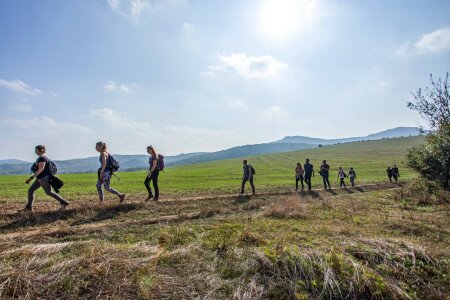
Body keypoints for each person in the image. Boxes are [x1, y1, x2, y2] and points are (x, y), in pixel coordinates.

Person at [23, 145, 70, 211]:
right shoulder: (44, 157)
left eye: (36, 150)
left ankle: (64, 202)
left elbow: (41, 169)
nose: (35, 152)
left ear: (40, 150)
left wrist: (31, 178)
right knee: (30, 190)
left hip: (43, 177)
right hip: (40, 177)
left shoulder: (42, 158)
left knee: (48, 192)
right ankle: (29, 207)